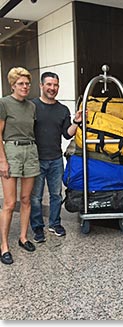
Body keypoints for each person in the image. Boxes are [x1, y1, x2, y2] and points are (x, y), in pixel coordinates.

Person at [30, 72, 82, 243]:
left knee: (56, 195)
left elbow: (67, 135)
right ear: (41, 85)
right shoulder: (32, 106)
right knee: (36, 197)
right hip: (36, 159)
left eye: (55, 85)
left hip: (56, 159)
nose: (52, 88)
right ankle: (37, 227)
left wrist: (76, 122)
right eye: (49, 84)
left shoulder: (62, 109)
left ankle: (54, 223)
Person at [0, 67, 40, 265]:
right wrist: (2, 160)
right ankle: (4, 246)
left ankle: (23, 237)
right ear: (13, 85)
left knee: (26, 199)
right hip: (12, 151)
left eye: (27, 83)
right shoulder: (4, 103)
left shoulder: (32, 106)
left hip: (30, 151)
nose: (25, 87)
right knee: (9, 203)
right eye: (21, 84)